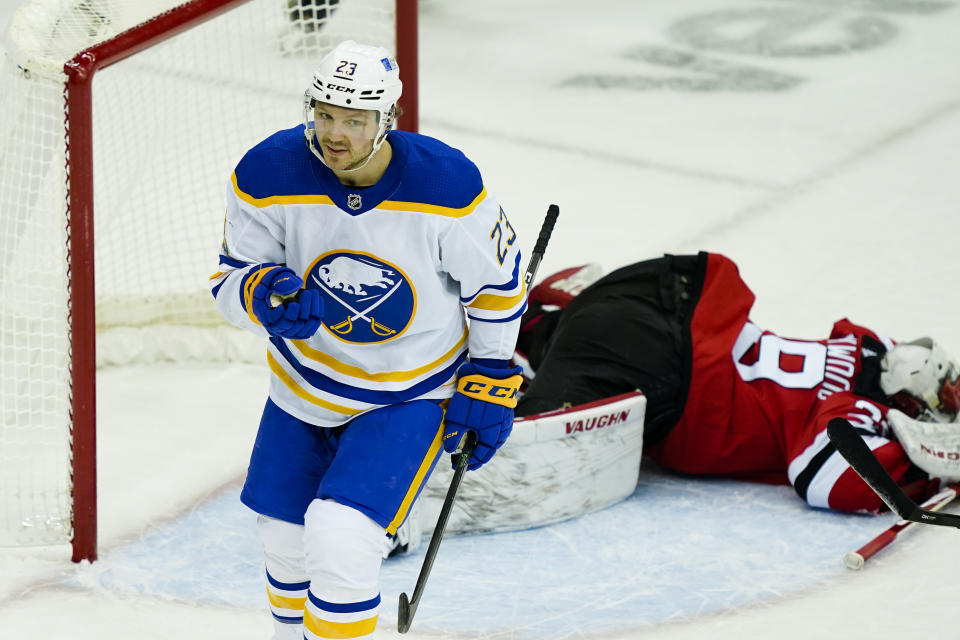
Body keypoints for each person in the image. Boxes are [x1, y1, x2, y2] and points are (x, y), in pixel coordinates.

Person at [209, 40, 525, 640]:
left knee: (342, 537)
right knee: (285, 539)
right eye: (325, 114)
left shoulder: (447, 185)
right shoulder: (265, 172)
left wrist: (490, 373)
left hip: (410, 392)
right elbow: (230, 279)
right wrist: (263, 293)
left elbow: (498, 289)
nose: (335, 133)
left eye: (354, 121)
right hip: (303, 386)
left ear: (388, 120)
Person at [513, 252, 960, 514]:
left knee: (569, 332)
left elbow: (903, 359)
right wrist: (931, 470)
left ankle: (524, 322)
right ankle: (527, 364)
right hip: (676, 379)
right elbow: (823, 479)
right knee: (526, 438)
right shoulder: (852, 412)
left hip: (669, 292)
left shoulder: (867, 346)